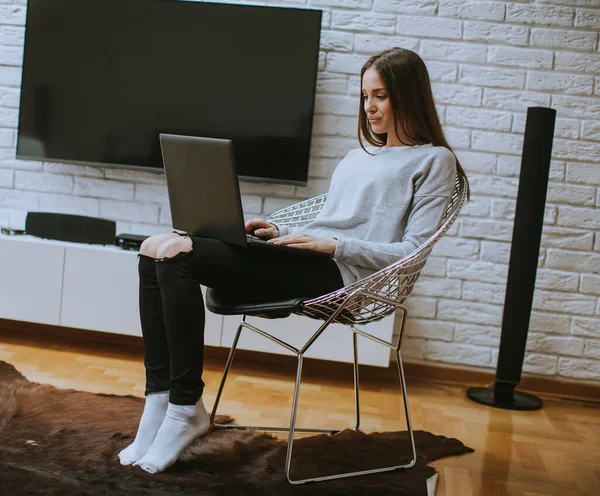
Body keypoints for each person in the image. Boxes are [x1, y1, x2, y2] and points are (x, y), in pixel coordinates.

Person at [118, 47, 470, 474]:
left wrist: (335, 246)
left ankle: (185, 406)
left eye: (380, 96)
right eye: (364, 96)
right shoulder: (358, 156)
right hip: (304, 260)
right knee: (154, 248)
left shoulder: (435, 161)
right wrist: (278, 233)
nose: (370, 107)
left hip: (339, 278)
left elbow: (412, 251)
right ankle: (160, 401)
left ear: (408, 96)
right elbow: (327, 222)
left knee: (178, 253)